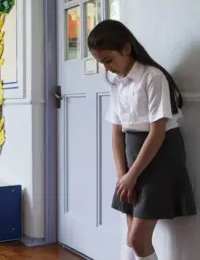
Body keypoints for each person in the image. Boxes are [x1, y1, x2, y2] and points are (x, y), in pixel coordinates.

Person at [88, 19, 197, 260]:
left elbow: (158, 131)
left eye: (108, 60)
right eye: (101, 62)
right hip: (131, 159)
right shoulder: (116, 81)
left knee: (137, 239)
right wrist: (122, 175)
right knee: (131, 236)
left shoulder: (152, 77)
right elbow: (117, 131)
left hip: (160, 156)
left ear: (126, 49)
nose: (106, 67)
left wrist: (132, 175)